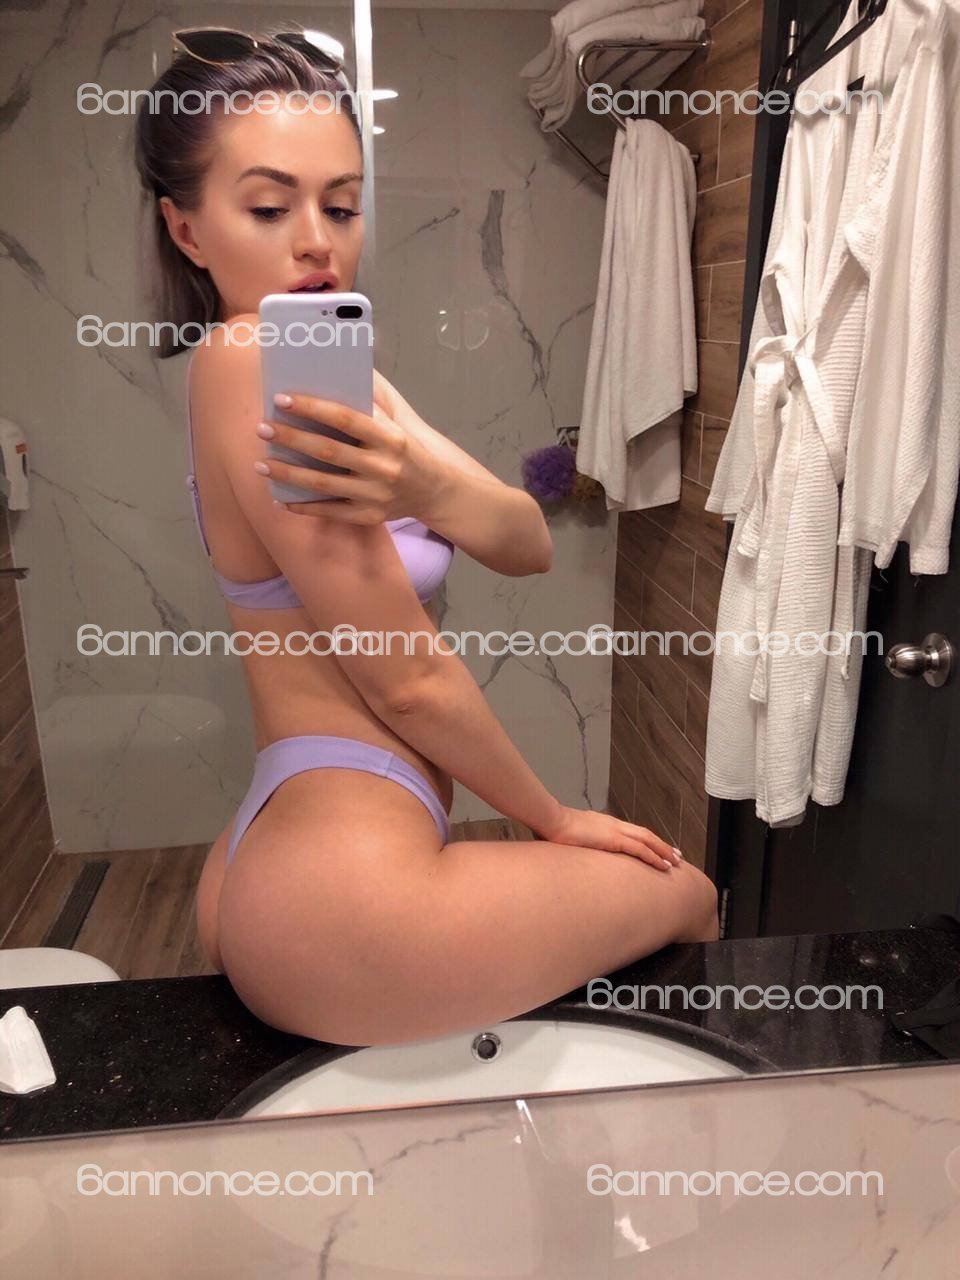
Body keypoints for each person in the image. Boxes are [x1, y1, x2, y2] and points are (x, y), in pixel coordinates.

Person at [134, 27, 718, 1047]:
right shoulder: (252, 355)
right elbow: (405, 678)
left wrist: (419, 480)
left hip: (307, 847)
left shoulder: (333, 374)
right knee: (691, 896)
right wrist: (554, 817)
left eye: (341, 205)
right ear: (186, 230)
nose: (317, 241)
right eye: (268, 207)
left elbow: (527, 538)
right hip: (345, 888)